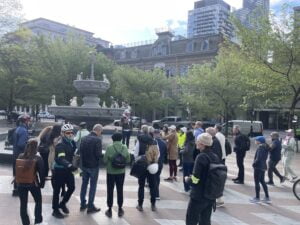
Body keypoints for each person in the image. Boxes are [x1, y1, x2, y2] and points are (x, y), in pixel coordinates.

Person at [185, 133, 219, 225]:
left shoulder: (201, 157)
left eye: (198, 141)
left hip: (199, 195)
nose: (196, 142)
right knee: (205, 221)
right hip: (210, 195)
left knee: (191, 220)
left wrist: (188, 179)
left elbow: (195, 179)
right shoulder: (215, 156)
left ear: (203, 144)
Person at [17, 139, 45, 225]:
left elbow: (16, 170)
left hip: (20, 183)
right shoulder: (38, 158)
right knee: (38, 201)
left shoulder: (20, 156)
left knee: (23, 204)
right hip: (33, 183)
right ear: (36, 147)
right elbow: (42, 173)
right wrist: (41, 184)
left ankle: (25, 223)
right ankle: (38, 220)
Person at [51, 124, 77, 219]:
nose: (70, 134)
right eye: (68, 133)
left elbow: (73, 154)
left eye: (71, 132)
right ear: (62, 133)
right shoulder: (60, 145)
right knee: (57, 191)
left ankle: (62, 203)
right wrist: (69, 165)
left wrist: (77, 170)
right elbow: (61, 158)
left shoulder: (72, 143)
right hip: (59, 170)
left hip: (69, 170)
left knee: (72, 187)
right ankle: (55, 210)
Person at [103, 132, 130, 218]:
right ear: (121, 139)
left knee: (110, 190)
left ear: (112, 139)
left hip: (111, 172)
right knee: (120, 189)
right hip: (121, 172)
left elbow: (104, 160)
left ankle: (110, 209)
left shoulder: (109, 147)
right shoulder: (125, 147)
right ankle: (120, 209)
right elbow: (128, 160)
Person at [134, 125, 158, 212]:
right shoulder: (154, 141)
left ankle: (140, 205)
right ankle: (153, 204)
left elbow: (135, 153)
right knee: (152, 186)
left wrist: (139, 160)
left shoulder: (139, 141)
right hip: (151, 165)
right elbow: (157, 154)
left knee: (141, 186)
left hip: (142, 165)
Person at [79, 124, 103, 213]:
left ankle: (82, 204)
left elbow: (80, 151)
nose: (101, 134)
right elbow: (98, 154)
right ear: (98, 131)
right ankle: (90, 206)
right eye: (101, 132)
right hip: (93, 166)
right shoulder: (97, 140)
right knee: (93, 186)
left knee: (84, 184)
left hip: (84, 165)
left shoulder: (84, 138)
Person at [12, 114, 31, 196]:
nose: (29, 122)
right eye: (28, 121)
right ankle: (18, 190)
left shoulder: (17, 129)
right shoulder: (23, 131)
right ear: (26, 121)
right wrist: (29, 144)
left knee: (16, 171)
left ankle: (15, 188)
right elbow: (21, 144)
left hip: (15, 153)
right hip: (21, 154)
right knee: (20, 172)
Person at [250, 136, 270, 203]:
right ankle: (267, 197)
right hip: (263, 166)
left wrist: (254, 164)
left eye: (256, 140)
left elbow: (258, 158)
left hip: (258, 167)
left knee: (257, 182)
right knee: (262, 181)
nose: (255, 141)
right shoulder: (265, 146)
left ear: (259, 141)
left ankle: (257, 197)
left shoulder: (260, 147)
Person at [153, 129, 167, 200]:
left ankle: (155, 193)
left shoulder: (152, 142)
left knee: (154, 178)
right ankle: (156, 193)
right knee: (157, 177)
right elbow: (165, 153)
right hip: (160, 162)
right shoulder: (164, 143)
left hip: (153, 163)